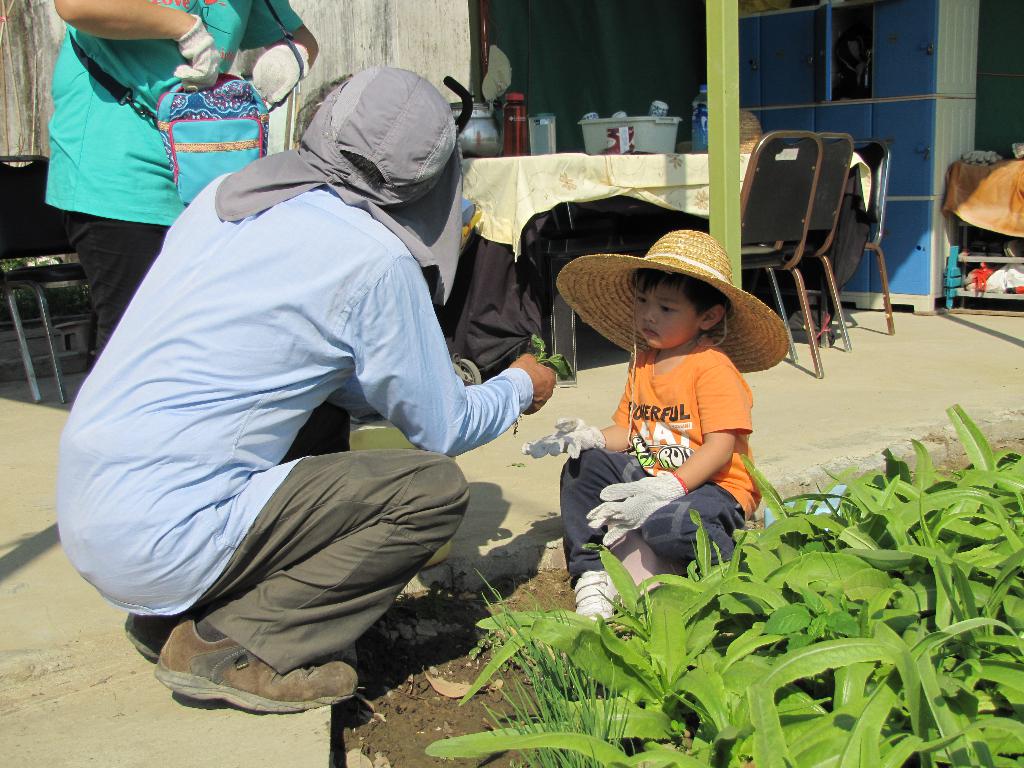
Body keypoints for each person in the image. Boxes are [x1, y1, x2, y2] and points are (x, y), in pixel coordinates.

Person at [56, 66, 555, 714]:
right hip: (165, 534)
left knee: (315, 418)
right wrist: (520, 384)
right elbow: (444, 427)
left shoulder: (234, 197)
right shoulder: (375, 257)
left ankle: (168, 619)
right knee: (428, 490)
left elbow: (309, 362)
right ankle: (240, 645)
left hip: (89, 507)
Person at [522, 230, 788, 618]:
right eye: (643, 301)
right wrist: (590, 436)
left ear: (708, 316)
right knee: (584, 466)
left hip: (713, 486)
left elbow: (720, 447)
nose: (649, 315)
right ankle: (591, 575)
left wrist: (671, 486)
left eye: (666, 308)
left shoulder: (712, 368)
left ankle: (731, 573)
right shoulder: (643, 360)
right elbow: (630, 431)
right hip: (654, 472)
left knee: (669, 527)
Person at [47, 0, 319, 355]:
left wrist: (289, 58)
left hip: (206, 176)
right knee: (134, 345)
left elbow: (297, 37)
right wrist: (182, 27)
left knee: (211, 341)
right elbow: (77, 5)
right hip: (119, 169)